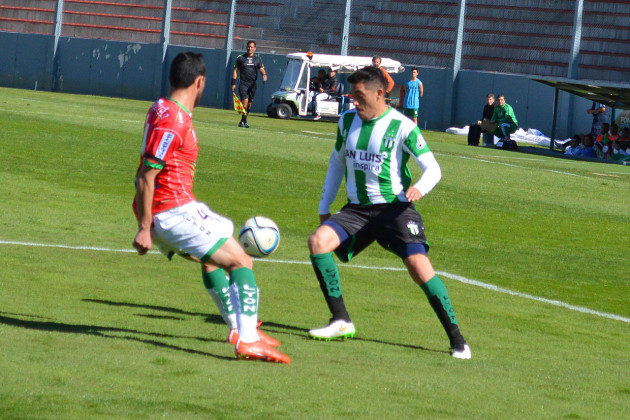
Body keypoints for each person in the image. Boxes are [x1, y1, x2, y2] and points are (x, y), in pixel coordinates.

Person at [133, 51, 289, 364]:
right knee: (242, 262)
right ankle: (246, 339)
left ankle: (240, 330)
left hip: (177, 206)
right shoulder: (174, 120)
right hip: (172, 211)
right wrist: (145, 228)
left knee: (212, 261)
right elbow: (146, 175)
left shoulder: (161, 107)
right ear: (200, 82)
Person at [307, 66, 471, 360]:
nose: (353, 102)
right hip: (357, 209)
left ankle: (458, 340)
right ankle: (341, 320)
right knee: (318, 242)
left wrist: (419, 188)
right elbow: (336, 164)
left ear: (379, 93)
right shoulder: (346, 122)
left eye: (359, 96)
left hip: (395, 209)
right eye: (352, 95)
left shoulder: (402, 126)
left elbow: (433, 168)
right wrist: (324, 207)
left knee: (419, 268)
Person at [231, 40, 267, 128]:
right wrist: (233, 83)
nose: (249, 48)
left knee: (250, 103)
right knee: (245, 101)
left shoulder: (257, 59)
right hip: (243, 83)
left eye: (251, 47)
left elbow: (261, 69)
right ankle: (245, 122)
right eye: (248, 47)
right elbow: (235, 71)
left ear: (254, 48)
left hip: (252, 84)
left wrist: (264, 75)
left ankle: (242, 120)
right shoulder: (241, 58)